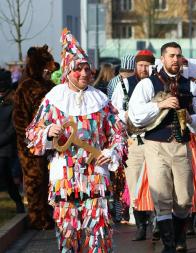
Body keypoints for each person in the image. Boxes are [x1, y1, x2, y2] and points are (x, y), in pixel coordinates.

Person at [25, 28, 127, 252]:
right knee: (68, 235)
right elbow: (31, 134)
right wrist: (47, 131)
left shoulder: (100, 99)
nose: (83, 73)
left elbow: (119, 133)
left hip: (96, 178)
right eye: (77, 69)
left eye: (86, 68)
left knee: (97, 234)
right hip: (65, 180)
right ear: (67, 71)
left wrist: (111, 153)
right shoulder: (53, 100)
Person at [128, 42, 196, 252]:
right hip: (156, 145)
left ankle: (178, 235)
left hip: (181, 146)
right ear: (162, 59)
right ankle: (170, 245)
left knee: (184, 199)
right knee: (162, 197)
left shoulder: (191, 86)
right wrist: (159, 105)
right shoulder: (147, 84)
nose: (176, 60)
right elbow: (135, 115)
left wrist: (192, 119)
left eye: (178, 56)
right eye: (171, 56)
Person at [13, 45, 56, 230]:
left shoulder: (51, 87)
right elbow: (19, 119)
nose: (51, 69)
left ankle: (49, 214)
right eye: (46, 65)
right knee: (35, 181)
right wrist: (31, 141)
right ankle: (37, 217)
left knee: (50, 180)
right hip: (30, 145)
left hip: (52, 143)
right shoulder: (25, 87)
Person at [111, 52, 151, 241]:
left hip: (155, 139)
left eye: (147, 65)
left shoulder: (156, 83)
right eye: (141, 65)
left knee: (157, 181)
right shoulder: (124, 84)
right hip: (134, 139)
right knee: (134, 181)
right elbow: (114, 109)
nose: (144, 69)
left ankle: (158, 220)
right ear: (135, 66)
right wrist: (125, 116)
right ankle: (140, 222)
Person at [0, 70, 25, 213]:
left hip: (6, 147)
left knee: (5, 174)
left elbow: (13, 128)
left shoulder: (14, 101)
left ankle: (18, 202)